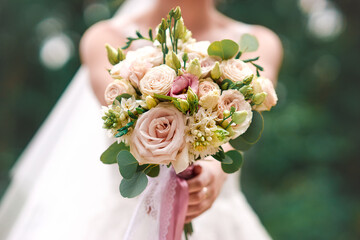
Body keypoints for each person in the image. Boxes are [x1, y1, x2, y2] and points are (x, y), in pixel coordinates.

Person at [0, 0, 282, 239]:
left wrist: (215, 170)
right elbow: (122, 111)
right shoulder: (104, 38)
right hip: (127, 217)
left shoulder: (260, 42)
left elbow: (244, 116)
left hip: (220, 218)